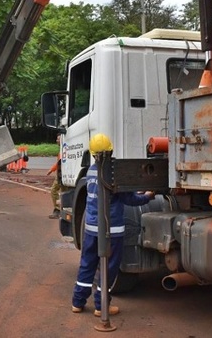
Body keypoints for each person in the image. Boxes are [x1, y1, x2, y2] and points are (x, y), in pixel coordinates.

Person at [71, 133, 155, 317]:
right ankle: (102, 307)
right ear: (110, 151)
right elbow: (130, 199)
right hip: (112, 231)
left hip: (91, 230)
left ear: (93, 154)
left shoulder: (91, 171)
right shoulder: (112, 174)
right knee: (108, 269)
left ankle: (78, 302)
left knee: (87, 265)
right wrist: (147, 196)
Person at [47, 134, 64, 219]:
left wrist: (51, 170)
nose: (56, 141)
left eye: (58, 139)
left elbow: (59, 163)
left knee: (54, 190)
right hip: (63, 174)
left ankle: (57, 209)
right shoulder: (63, 149)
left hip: (62, 174)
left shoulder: (63, 150)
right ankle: (61, 209)